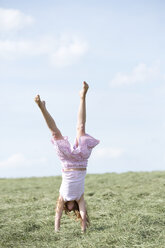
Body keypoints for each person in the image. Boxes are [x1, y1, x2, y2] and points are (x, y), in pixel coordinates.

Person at [34, 81, 99, 232]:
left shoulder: (62, 198)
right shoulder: (80, 197)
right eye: (71, 209)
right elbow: (83, 212)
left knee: (55, 134)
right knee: (81, 128)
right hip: (81, 160)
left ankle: (41, 107)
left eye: (67, 210)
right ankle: (83, 96)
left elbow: (57, 216)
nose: (69, 209)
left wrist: (56, 231)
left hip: (67, 163)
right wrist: (84, 229)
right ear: (74, 207)